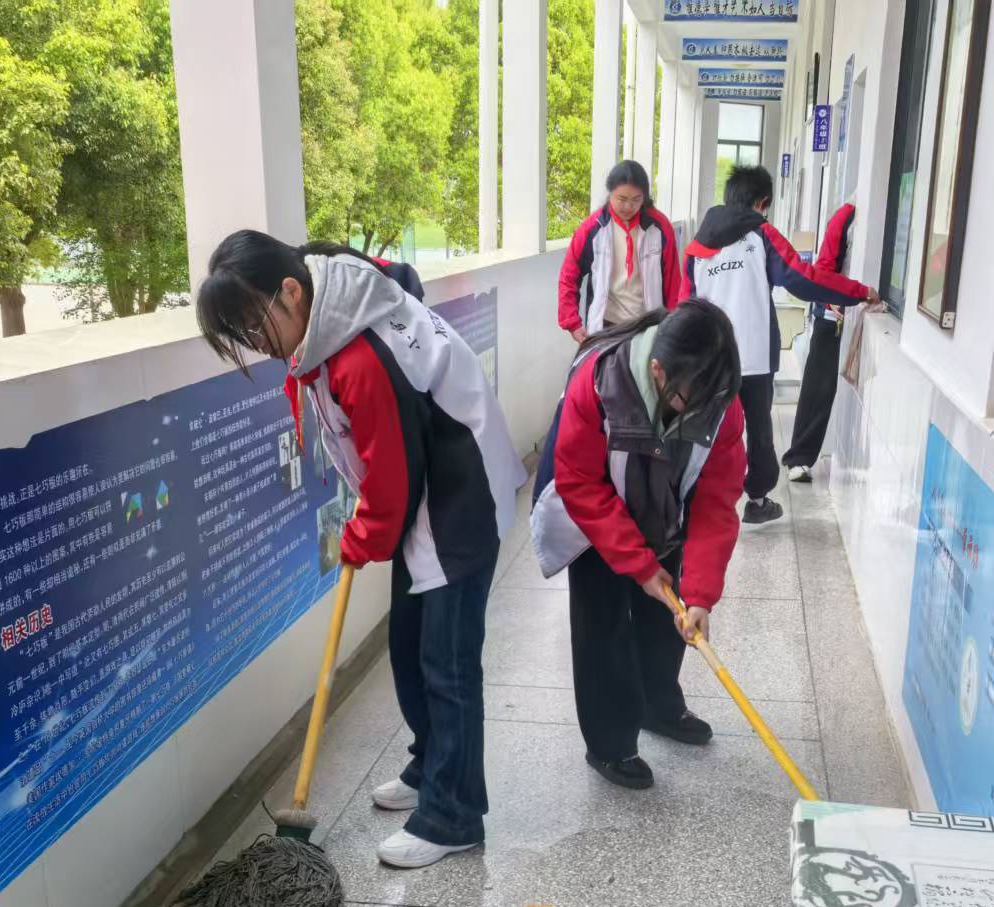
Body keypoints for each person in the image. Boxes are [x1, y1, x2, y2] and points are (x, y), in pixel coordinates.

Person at [196, 232, 526, 869]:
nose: (257, 343)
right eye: (242, 333)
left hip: (458, 500)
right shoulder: (327, 317)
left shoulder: (359, 354)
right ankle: (431, 764)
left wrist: (361, 536)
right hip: (427, 495)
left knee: (448, 663)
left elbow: (393, 478)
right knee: (409, 647)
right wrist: (371, 522)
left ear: (290, 291)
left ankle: (454, 813)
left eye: (255, 324)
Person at [529, 299, 746, 791]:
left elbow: (717, 501)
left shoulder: (719, 401)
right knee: (603, 626)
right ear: (657, 370)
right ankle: (610, 743)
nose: (705, 409)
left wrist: (701, 595)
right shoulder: (599, 381)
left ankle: (657, 705)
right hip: (594, 517)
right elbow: (579, 481)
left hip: (664, 503)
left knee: (667, 616)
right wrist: (637, 564)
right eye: (691, 399)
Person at [685, 167, 877, 525]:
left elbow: (686, 302)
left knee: (707, 427)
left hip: (712, 358)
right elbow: (802, 279)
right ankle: (757, 501)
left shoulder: (698, 245)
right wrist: (858, 291)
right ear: (763, 203)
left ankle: (698, 499)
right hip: (754, 355)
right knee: (759, 429)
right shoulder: (761, 233)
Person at [559, 160, 683, 344]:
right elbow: (569, 276)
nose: (628, 207)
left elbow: (673, 282)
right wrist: (572, 323)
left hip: (648, 326)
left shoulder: (660, 227)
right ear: (610, 193)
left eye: (636, 200)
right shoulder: (593, 229)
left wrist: (674, 325)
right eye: (622, 199)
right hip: (606, 326)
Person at [782, 201, 861, 481]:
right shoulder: (846, 216)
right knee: (819, 388)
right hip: (830, 316)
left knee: (829, 389)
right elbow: (824, 267)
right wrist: (830, 299)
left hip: (854, 313)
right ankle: (798, 460)